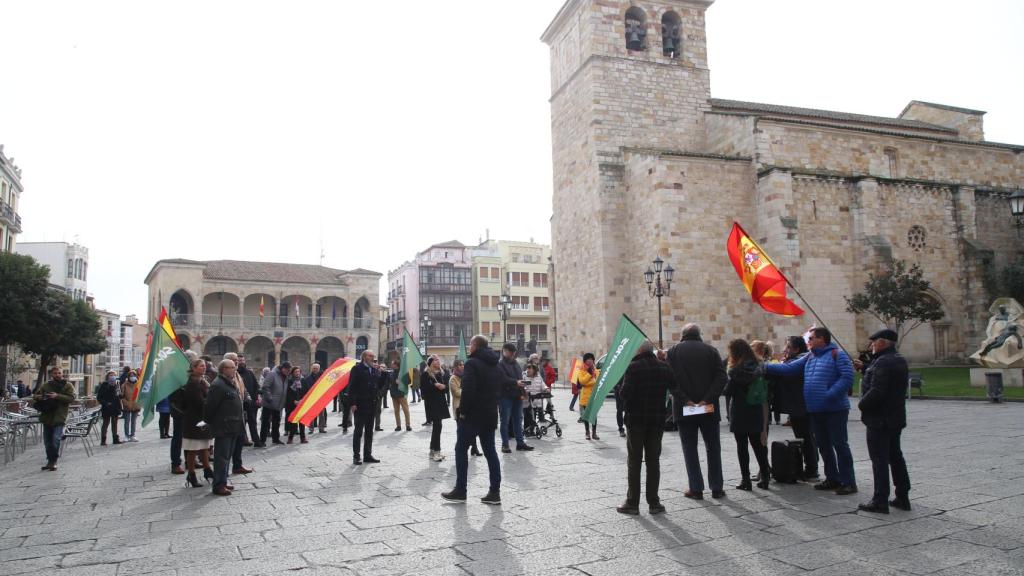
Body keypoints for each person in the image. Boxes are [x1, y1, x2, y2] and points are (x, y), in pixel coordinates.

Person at [765, 327, 857, 495]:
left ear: (822, 339)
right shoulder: (810, 356)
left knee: (839, 444)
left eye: (812, 338)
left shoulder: (838, 354)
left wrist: (829, 394)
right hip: (815, 409)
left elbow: (847, 377)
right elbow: (788, 369)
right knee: (824, 445)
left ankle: (848, 481)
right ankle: (832, 478)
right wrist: (764, 366)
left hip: (835, 408)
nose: (808, 341)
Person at [666, 323, 727, 500]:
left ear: (682, 335)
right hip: (707, 408)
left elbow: (671, 381)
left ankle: (696, 488)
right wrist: (706, 399)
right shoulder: (711, 351)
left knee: (690, 448)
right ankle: (717, 487)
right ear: (699, 334)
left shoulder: (673, 352)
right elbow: (722, 377)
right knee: (713, 448)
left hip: (685, 408)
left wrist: (686, 400)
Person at [855, 329, 911, 514]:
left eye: (874, 341)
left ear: (883, 342)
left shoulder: (882, 362)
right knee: (895, 456)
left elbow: (878, 391)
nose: (871, 345)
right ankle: (902, 495)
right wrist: (865, 368)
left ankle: (880, 499)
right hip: (894, 417)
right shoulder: (897, 359)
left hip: (879, 418)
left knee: (879, 459)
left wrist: (862, 404)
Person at [442, 335, 502, 505]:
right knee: (490, 452)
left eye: (470, 344)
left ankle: (461, 490)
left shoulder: (472, 363)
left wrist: (463, 412)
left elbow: (468, 390)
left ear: (475, 346)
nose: (469, 347)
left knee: (461, 449)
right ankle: (494, 492)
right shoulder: (495, 364)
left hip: (473, 416)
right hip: (490, 414)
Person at [616, 341, 674, 515]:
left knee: (634, 461)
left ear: (639, 350)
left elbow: (625, 394)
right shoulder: (663, 367)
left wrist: (620, 388)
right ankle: (654, 503)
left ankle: (632, 503)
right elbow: (675, 385)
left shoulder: (633, 367)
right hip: (656, 420)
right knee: (653, 461)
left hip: (636, 420)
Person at [724, 339, 771, 491]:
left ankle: (746, 480)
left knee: (742, 447)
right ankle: (765, 477)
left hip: (740, 411)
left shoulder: (735, 371)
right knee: (758, 445)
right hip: (756, 409)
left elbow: (728, 391)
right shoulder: (759, 367)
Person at [769, 336, 818, 478]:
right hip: (799, 405)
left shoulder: (800, 360)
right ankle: (810, 467)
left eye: (788, 347)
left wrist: (763, 365)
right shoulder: (799, 359)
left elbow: (787, 370)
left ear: (797, 349)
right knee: (805, 437)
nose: (785, 349)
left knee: (806, 437)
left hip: (801, 405)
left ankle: (811, 469)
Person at [205, 359, 244, 496]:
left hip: (233, 425)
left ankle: (223, 480)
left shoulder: (229, 383)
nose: (234, 369)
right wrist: (212, 423)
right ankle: (218, 485)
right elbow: (210, 407)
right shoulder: (218, 385)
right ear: (223, 369)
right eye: (231, 367)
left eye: (234, 367)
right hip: (224, 426)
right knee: (221, 457)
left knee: (227, 457)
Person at [33, 366, 76, 471]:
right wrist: (44, 397)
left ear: (62, 374)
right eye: (55, 373)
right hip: (47, 416)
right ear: (52, 374)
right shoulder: (46, 385)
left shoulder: (68, 385)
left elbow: (72, 398)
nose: (57, 375)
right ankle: (49, 461)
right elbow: (36, 396)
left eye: (59, 373)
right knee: (47, 441)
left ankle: (54, 461)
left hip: (60, 416)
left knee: (55, 439)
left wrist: (57, 396)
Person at [181, 358, 214, 487]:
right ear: (193, 368)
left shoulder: (203, 381)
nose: (204, 368)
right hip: (194, 420)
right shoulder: (193, 383)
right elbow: (199, 402)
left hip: (203, 419)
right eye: (200, 366)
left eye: (204, 366)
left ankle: (207, 470)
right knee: (193, 448)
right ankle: (191, 474)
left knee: (205, 446)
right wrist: (212, 403)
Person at [497, 343, 534, 453]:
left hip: (517, 396)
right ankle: (505, 445)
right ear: (505, 351)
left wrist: (524, 390)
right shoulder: (500, 364)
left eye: (514, 353)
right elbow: (502, 379)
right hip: (505, 397)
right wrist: (516, 382)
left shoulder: (516, 363)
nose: (513, 355)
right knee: (505, 421)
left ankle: (520, 443)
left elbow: (520, 378)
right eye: (511, 352)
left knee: (518, 420)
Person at [349, 350, 383, 465]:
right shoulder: (357, 369)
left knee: (369, 431)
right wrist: (353, 403)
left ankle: (367, 455)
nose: (372, 358)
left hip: (372, 404)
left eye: (373, 356)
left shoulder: (374, 370)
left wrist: (382, 373)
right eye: (370, 356)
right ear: (364, 357)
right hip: (360, 404)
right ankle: (356, 456)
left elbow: (380, 385)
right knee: (358, 431)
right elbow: (351, 387)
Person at [222, 353, 253, 476]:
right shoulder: (225, 377)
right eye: (234, 360)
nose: (237, 362)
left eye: (237, 360)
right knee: (228, 445)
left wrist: (248, 398)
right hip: (229, 416)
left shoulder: (237, 374)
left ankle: (237, 465)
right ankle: (223, 471)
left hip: (240, 414)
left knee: (240, 441)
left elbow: (243, 390)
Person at [421, 356, 452, 461]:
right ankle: (436, 451)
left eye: (438, 360)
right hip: (432, 404)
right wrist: (435, 386)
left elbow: (446, 388)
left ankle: (432, 450)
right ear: (430, 363)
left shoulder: (440, 373)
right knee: (437, 426)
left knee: (438, 427)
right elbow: (424, 390)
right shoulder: (426, 374)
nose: (438, 361)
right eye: (435, 360)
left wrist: (443, 387)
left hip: (440, 403)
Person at [449, 359, 481, 456]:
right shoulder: (453, 378)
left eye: (463, 364)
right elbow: (456, 392)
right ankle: (458, 448)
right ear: (455, 367)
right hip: (459, 407)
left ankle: (474, 448)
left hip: (469, 406)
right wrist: (468, 391)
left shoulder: (467, 376)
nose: (462, 366)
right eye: (460, 365)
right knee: (461, 430)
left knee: (473, 428)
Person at [259, 362, 290, 446]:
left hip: (279, 404)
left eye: (289, 371)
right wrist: (270, 398)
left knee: (277, 422)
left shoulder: (285, 376)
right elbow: (265, 387)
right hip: (269, 403)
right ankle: (262, 440)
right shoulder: (272, 374)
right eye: (287, 370)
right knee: (266, 422)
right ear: (282, 368)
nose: (288, 372)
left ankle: (275, 439)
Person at [236, 354, 261, 446]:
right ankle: (243, 440)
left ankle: (257, 441)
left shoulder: (249, 373)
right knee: (242, 423)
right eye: (239, 361)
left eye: (242, 360)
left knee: (252, 422)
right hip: (240, 403)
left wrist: (256, 397)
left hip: (251, 403)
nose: (241, 362)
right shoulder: (235, 374)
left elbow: (256, 386)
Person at [577, 352, 600, 440]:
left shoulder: (596, 370)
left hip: (594, 395)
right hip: (586, 396)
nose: (590, 361)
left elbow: (597, 380)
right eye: (588, 359)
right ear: (585, 361)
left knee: (594, 415)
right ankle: (587, 432)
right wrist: (590, 374)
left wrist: (591, 379)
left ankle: (594, 432)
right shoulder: (582, 370)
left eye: (591, 359)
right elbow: (582, 381)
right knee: (586, 415)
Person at [96, 370, 122, 446]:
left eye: (114, 375)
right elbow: (99, 397)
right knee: (105, 424)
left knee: (115, 423)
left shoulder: (117, 384)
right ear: (107, 376)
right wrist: (106, 403)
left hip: (115, 407)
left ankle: (115, 439)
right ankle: (103, 440)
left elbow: (119, 396)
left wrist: (120, 393)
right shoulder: (104, 385)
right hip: (107, 407)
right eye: (111, 375)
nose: (112, 376)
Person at [284, 366, 307, 444]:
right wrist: (293, 401)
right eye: (295, 372)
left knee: (301, 422)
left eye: (298, 372)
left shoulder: (303, 381)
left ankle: (303, 438)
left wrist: (302, 400)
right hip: (292, 404)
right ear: (293, 373)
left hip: (301, 404)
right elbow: (287, 393)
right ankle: (290, 438)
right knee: (293, 422)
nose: (297, 373)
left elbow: (307, 392)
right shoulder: (290, 381)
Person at [302, 363, 326, 434]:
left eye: (316, 368)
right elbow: (306, 388)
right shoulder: (307, 378)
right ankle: (311, 428)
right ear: (311, 369)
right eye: (314, 368)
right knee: (311, 413)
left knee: (321, 414)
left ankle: (321, 428)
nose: (315, 370)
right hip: (311, 398)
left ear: (319, 369)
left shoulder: (322, 378)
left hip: (320, 397)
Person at [389, 359, 412, 431]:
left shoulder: (403, 372)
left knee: (406, 410)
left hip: (401, 394)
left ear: (396, 365)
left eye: (392, 363)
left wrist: (401, 382)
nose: (391, 365)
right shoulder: (392, 372)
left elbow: (409, 381)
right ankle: (398, 425)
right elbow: (390, 381)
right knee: (396, 411)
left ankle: (408, 425)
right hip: (394, 394)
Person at [120, 369, 141, 442]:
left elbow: (141, 395)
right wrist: (126, 403)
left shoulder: (139, 384)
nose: (132, 377)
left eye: (134, 375)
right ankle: (126, 435)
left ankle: (133, 435)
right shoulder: (124, 385)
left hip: (135, 405)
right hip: (127, 405)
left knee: (133, 421)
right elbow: (121, 396)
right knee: (127, 421)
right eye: (131, 376)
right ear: (128, 377)